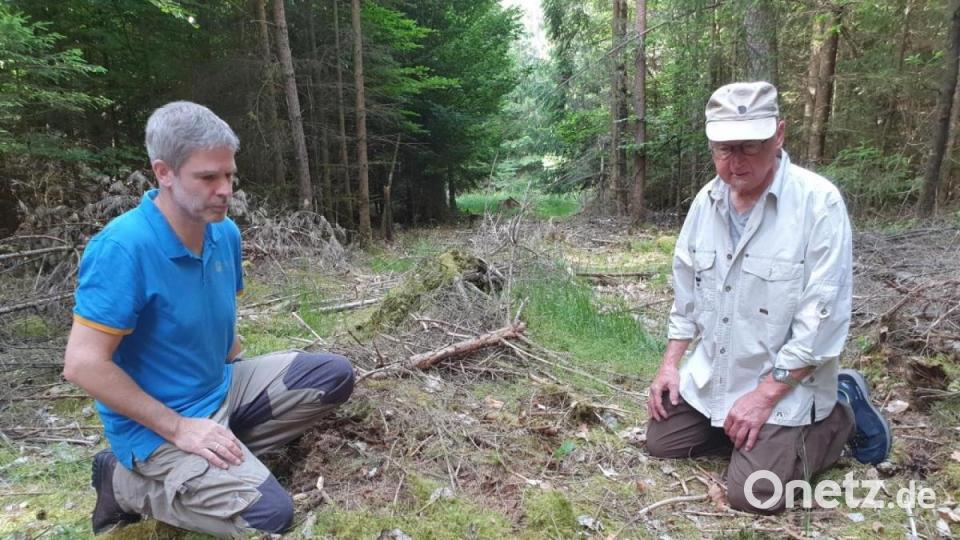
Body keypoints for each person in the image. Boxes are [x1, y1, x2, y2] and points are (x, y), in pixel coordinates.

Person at [63, 101, 355, 536]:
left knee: (330, 376)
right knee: (269, 516)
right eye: (208, 177)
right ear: (164, 173)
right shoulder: (123, 248)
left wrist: (240, 383)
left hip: (220, 391)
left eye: (229, 175)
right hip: (156, 426)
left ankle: (221, 457)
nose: (225, 190)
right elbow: (83, 364)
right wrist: (180, 428)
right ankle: (122, 483)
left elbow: (216, 323)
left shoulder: (224, 233)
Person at [645, 82, 892, 514]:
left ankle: (838, 411)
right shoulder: (706, 202)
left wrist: (765, 397)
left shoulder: (818, 204)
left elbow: (823, 321)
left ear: (779, 135)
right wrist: (670, 364)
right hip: (718, 374)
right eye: (724, 149)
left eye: (749, 147)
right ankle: (745, 430)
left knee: (755, 494)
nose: (735, 162)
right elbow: (686, 295)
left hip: (789, 381)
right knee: (662, 441)